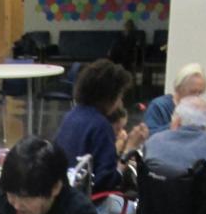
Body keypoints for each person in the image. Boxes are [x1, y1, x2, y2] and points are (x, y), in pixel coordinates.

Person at [54, 58, 148, 195]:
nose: (120, 102)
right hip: (87, 199)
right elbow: (107, 181)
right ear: (110, 97)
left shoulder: (70, 116)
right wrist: (129, 149)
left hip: (64, 192)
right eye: (119, 96)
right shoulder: (101, 125)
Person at [143, 62, 206, 135]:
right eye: (192, 92)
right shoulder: (159, 106)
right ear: (179, 88)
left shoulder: (197, 109)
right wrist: (177, 125)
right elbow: (149, 135)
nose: (196, 97)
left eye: (200, 93)